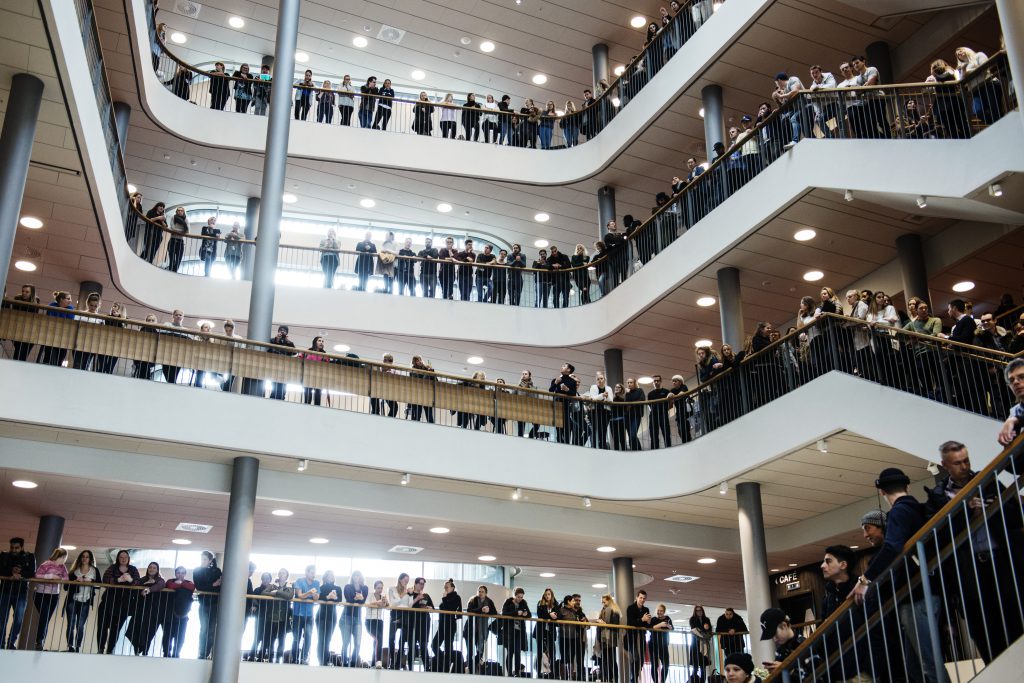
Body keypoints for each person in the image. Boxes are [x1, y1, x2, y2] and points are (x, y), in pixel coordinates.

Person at [924, 441, 1024, 663]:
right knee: (984, 626)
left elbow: (1016, 518)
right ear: (944, 465)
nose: (964, 466)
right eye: (957, 462)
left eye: (966, 460)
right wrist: (967, 513)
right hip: (969, 570)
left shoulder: (987, 481)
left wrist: (993, 508)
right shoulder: (938, 497)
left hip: (1003, 561)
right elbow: (938, 539)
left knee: (1016, 616)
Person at [849, 468, 950, 683]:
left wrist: (865, 580)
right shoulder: (917, 508)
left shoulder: (898, 512)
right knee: (915, 665)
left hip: (916, 595)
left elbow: (892, 547)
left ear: (882, 491)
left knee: (928, 663)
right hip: (928, 589)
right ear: (907, 486)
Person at [96, 549, 140, 654]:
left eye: (125, 557)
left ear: (128, 559)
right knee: (102, 626)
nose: (123, 559)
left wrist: (130, 580)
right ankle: (100, 648)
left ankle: (110, 650)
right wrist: (118, 580)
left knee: (115, 630)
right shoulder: (112, 567)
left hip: (124, 605)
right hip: (108, 602)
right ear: (118, 558)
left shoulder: (133, 569)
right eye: (121, 557)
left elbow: (138, 583)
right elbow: (105, 579)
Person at [759, 608, 820, 679]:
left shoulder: (806, 645)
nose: (774, 639)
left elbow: (815, 675)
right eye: (772, 636)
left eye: (775, 634)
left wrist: (786, 669)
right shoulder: (780, 650)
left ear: (784, 626)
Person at [30, 547, 68, 650]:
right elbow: (37, 575)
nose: (64, 560)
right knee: (45, 615)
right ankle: (39, 641)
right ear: (60, 556)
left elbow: (66, 578)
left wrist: (58, 578)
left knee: (46, 619)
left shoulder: (62, 567)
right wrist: (50, 576)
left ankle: (41, 643)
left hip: (54, 595)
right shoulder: (46, 564)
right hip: (40, 594)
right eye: (63, 557)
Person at [127, 561, 166, 655]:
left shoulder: (160, 580)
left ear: (157, 570)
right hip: (140, 608)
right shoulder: (142, 579)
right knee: (135, 628)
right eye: (150, 567)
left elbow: (161, 585)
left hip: (153, 610)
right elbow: (135, 586)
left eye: (154, 568)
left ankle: (145, 652)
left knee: (149, 631)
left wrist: (149, 589)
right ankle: (136, 650)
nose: (151, 569)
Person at [63, 549, 99, 653]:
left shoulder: (94, 571)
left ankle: (78, 646)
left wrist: (90, 581)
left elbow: (99, 585)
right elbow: (66, 587)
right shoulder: (74, 571)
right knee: (70, 624)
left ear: (90, 559)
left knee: (80, 625)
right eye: (83, 556)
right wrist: (74, 581)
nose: (85, 558)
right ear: (80, 558)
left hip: (86, 601)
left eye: (87, 557)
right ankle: (70, 646)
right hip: (73, 600)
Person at [193, 550, 222, 659]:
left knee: (212, 629)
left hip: (215, 603)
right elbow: (199, 586)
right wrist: (213, 584)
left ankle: (207, 651)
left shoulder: (217, 571)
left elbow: (220, 585)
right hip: (204, 603)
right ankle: (202, 652)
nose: (202, 561)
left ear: (210, 561)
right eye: (201, 559)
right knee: (204, 628)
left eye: (205, 559)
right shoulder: (197, 571)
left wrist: (213, 585)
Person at [161, 566, 195, 658]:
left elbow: (192, 587)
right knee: (168, 635)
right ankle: (166, 653)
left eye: (182, 573)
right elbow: (170, 585)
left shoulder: (189, 582)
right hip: (170, 613)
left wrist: (181, 584)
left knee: (180, 637)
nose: (180, 574)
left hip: (183, 614)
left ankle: (176, 653)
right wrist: (182, 585)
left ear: (185, 574)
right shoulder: (170, 581)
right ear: (175, 573)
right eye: (178, 572)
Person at [290, 564, 319, 664]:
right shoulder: (299, 581)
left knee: (308, 637)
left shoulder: (316, 582)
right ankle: (294, 658)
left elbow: (316, 598)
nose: (314, 574)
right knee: (296, 638)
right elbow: (300, 595)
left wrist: (314, 595)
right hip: (298, 614)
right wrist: (309, 593)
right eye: (312, 572)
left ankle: (304, 658)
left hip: (309, 616)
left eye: (315, 572)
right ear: (307, 572)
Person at [465, 584, 496, 673]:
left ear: (486, 593)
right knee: (470, 651)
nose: (480, 593)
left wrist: (488, 611)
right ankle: (471, 670)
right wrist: (481, 610)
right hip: (471, 629)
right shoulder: (473, 600)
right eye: (479, 591)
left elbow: (494, 612)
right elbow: (469, 610)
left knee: (480, 652)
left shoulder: (489, 601)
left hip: (482, 630)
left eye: (482, 591)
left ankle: (472, 666)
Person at [500, 587, 530, 677]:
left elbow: (529, 614)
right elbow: (504, 613)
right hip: (509, 631)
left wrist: (525, 614)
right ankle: (509, 673)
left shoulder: (523, 603)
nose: (520, 599)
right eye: (518, 597)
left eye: (521, 597)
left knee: (517, 652)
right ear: (514, 595)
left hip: (519, 631)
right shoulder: (508, 602)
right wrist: (516, 612)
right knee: (510, 652)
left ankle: (516, 672)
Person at [341, 570, 367, 666]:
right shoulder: (348, 587)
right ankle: (344, 661)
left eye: (358, 575)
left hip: (357, 618)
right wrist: (356, 599)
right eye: (355, 575)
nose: (357, 577)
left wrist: (357, 599)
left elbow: (362, 601)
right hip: (346, 617)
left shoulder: (364, 588)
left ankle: (352, 662)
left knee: (358, 643)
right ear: (352, 577)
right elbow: (349, 599)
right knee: (346, 642)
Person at [624, 590, 651, 683]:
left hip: (642, 637)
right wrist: (642, 619)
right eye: (641, 598)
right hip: (631, 637)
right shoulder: (630, 608)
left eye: (644, 598)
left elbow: (646, 626)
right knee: (636, 658)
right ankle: (633, 679)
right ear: (636, 597)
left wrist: (647, 622)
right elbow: (631, 623)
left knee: (642, 660)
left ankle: (635, 677)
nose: (642, 600)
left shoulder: (646, 610)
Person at [549, 363, 579, 444]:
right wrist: (555, 383)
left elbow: (573, 394)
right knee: (558, 428)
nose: (561, 367)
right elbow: (550, 391)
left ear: (569, 370)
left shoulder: (572, 382)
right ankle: (560, 442)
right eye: (561, 365)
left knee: (566, 426)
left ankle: (566, 443)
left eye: (564, 366)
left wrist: (567, 390)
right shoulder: (556, 379)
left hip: (566, 406)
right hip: (556, 405)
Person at [388, 573, 412, 669]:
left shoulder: (409, 591)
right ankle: (392, 661)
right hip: (395, 614)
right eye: (405, 580)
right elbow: (393, 603)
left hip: (405, 615)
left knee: (402, 641)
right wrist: (403, 595)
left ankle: (398, 662)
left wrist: (408, 594)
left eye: (408, 581)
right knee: (391, 639)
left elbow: (409, 605)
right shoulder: (392, 589)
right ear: (400, 579)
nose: (406, 583)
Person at [316, 570, 341, 666]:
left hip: (332, 616)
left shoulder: (337, 588)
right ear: (325, 577)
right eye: (328, 576)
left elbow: (340, 599)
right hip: (321, 616)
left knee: (328, 639)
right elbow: (318, 598)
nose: (330, 577)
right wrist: (327, 596)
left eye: (332, 575)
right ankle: (321, 661)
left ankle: (325, 660)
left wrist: (333, 597)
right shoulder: (321, 587)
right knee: (321, 639)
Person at [408, 577, 434, 667]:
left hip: (424, 623)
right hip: (412, 622)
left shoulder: (426, 595)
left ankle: (427, 667)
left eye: (423, 584)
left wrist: (429, 608)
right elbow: (407, 606)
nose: (422, 585)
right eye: (420, 583)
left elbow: (432, 608)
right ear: (415, 584)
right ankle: (410, 667)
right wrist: (417, 598)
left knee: (423, 645)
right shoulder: (410, 594)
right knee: (412, 645)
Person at [999, 358, 1024, 446]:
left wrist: (1015, 419)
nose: (1016, 382)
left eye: (1021, 377)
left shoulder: (1014, 416)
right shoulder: (1014, 412)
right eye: (1011, 380)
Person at [365, 579, 387, 667]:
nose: (380, 590)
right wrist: (378, 602)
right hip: (370, 620)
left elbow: (387, 606)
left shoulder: (383, 597)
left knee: (377, 641)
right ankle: (378, 661)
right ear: (375, 588)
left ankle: (374, 662)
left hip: (379, 621)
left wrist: (386, 602)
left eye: (381, 588)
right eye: (378, 588)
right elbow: (367, 604)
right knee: (379, 639)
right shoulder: (370, 595)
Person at [688, 605, 712, 682]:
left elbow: (710, 630)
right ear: (695, 612)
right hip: (695, 645)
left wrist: (707, 628)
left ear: (703, 611)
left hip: (704, 645)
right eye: (697, 611)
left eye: (700, 610)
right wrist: (704, 629)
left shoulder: (706, 619)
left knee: (703, 667)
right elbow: (694, 630)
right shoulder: (692, 619)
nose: (699, 612)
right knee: (695, 667)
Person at [647, 375, 671, 449]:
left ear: (660, 381)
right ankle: (654, 452)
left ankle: (669, 450)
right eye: (655, 381)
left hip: (663, 415)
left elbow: (670, 405)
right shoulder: (650, 394)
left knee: (666, 434)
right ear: (653, 382)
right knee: (653, 435)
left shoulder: (666, 391)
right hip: (653, 416)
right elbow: (649, 406)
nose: (656, 382)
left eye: (658, 381)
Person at [167, 206, 188, 273]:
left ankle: (174, 272)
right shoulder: (173, 218)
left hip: (180, 241)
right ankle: (170, 272)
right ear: (176, 212)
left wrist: (176, 231)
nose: (180, 212)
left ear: (183, 212)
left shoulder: (186, 220)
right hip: (172, 240)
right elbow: (172, 228)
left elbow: (187, 231)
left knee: (178, 259)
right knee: (171, 259)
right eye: (178, 210)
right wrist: (181, 231)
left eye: (181, 210)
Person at [438, 236, 458, 300]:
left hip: (451, 273)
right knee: (444, 289)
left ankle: (449, 298)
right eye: (447, 242)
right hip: (443, 273)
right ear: (445, 243)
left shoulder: (455, 251)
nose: (449, 243)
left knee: (450, 289)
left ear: (453, 243)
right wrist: (451, 259)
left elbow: (455, 258)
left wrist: (450, 251)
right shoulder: (442, 250)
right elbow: (441, 258)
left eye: (450, 242)